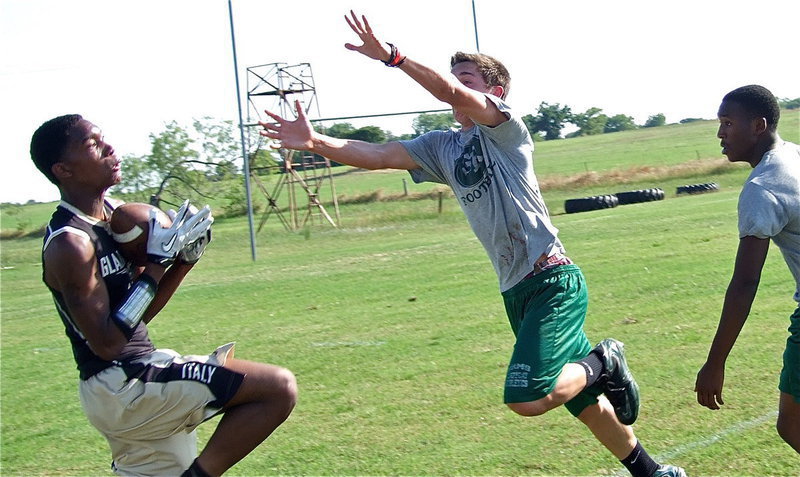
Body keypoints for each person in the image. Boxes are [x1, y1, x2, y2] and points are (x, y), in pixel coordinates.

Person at [259, 11, 685, 477]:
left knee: (527, 396)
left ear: (494, 92)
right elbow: (378, 155)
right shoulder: (442, 146)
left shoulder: (505, 128)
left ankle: (605, 359)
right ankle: (649, 469)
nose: (453, 85)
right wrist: (317, 141)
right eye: (455, 76)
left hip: (551, 278)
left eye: (465, 78)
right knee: (579, 399)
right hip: (515, 290)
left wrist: (393, 57)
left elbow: (449, 92)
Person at [30, 114, 297, 477]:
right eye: (93, 145)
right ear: (63, 169)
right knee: (277, 388)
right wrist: (156, 265)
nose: (110, 148)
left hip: (129, 381)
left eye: (104, 139)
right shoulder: (70, 243)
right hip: (122, 386)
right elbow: (107, 344)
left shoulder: (114, 219)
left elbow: (135, 314)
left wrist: (182, 263)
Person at [695, 85, 800, 453]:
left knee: (793, 425)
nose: (720, 133)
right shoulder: (795, 156)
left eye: (727, 123)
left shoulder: (763, 186)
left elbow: (745, 283)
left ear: (758, 125)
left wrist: (714, 362)